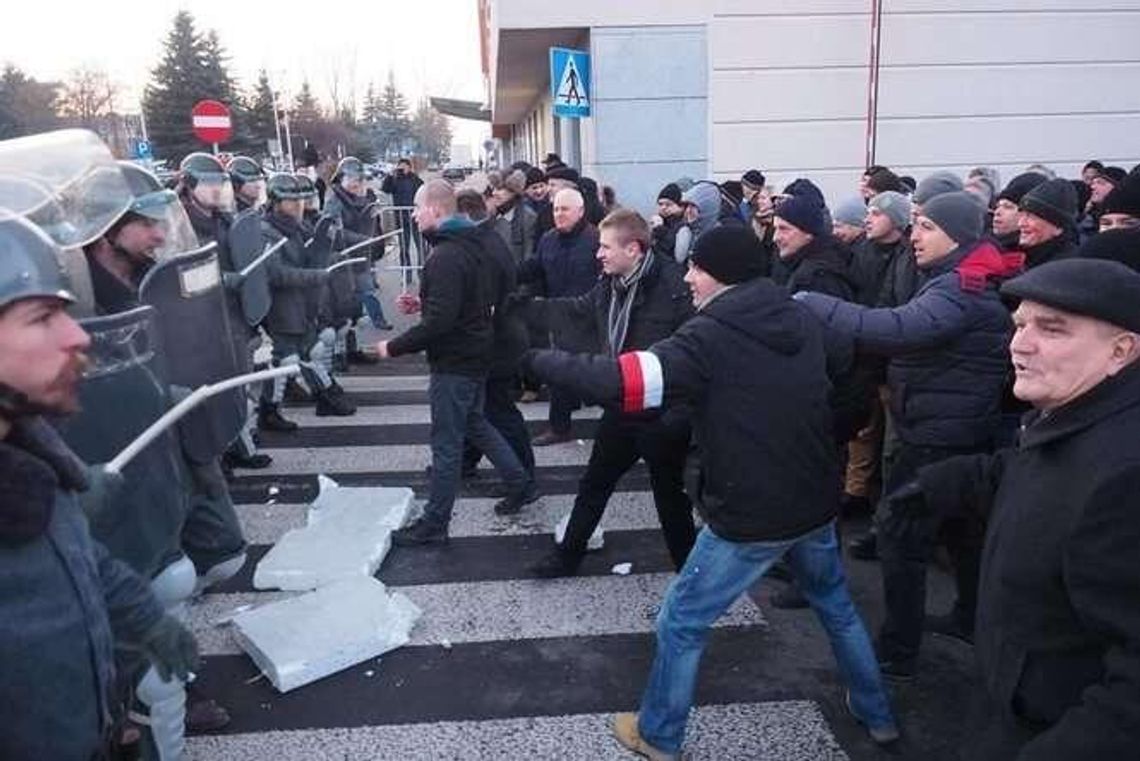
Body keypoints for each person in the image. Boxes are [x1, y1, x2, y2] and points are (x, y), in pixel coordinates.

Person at [526, 225, 899, 757]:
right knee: (835, 605)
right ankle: (877, 712)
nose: (688, 277)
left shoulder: (708, 337)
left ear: (722, 274)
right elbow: (846, 385)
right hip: (815, 497)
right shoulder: (801, 315)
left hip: (751, 511)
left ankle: (658, 734)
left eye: (697, 267)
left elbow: (625, 383)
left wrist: (535, 360)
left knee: (681, 619)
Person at [881, 258, 1140, 759]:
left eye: (1052, 329)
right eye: (1020, 324)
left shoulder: (1126, 475)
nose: (1019, 344)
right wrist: (943, 482)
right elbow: (1035, 465)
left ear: (1121, 350)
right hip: (1011, 701)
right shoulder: (1076, 412)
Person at [797, 191, 1024, 677]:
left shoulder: (958, 288)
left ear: (957, 236)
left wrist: (817, 305)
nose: (914, 236)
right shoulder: (955, 278)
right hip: (954, 430)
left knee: (901, 537)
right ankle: (968, 617)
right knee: (965, 533)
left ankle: (898, 650)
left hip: (936, 438)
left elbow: (896, 328)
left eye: (925, 227)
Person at [0, 214, 199, 760]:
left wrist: (148, 620)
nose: (78, 335)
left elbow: (84, 562)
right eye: (42, 318)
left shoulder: (32, 456)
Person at [520, 209, 697, 577]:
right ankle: (568, 556)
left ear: (633, 249)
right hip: (623, 404)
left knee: (670, 498)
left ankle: (690, 574)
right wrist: (524, 309)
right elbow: (577, 310)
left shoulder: (673, 287)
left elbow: (691, 357)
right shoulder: (612, 283)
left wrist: (679, 415)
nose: (598, 254)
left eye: (605, 247)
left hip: (662, 414)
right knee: (595, 483)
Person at [381, 180, 535, 546]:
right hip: (476, 352)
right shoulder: (471, 243)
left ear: (435, 210)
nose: (414, 215)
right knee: (476, 424)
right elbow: (464, 301)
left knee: (447, 444)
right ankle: (519, 482)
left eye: (418, 209)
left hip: (456, 361)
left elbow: (440, 322)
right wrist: (425, 303)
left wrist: (394, 346)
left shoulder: (446, 255)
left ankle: (435, 523)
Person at [258, 173, 355, 422]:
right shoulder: (267, 231)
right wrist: (316, 276)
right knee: (285, 360)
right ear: (276, 202)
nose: (297, 206)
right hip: (282, 306)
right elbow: (276, 274)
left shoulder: (298, 227)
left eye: (299, 201)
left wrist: (329, 255)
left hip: (303, 303)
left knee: (309, 352)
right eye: (291, 201)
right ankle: (270, 411)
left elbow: (311, 254)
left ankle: (325, 396)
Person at [518, 187, 601, 446]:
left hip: (592, 318)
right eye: (555, 209)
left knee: (599, 376)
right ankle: (559, 426)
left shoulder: (596, 239)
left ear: (580, 211)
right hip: (560, 317)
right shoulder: (548, 239)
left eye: (564, 209)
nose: (558, 214)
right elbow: (534, 269)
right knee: (558, 373)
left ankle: (619, 428)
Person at [324, 156, 393, 338]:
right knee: (346, 305)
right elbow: (333, 231)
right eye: (351, 178)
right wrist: (360, 239)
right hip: (343, 257)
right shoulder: (334, 201)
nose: (356, 182)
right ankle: (345, 349)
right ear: (341, 178)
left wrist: (376, 240)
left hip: (363, 255)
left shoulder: (366, 197)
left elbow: (374, 225)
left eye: (359, 178)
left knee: (367, 291)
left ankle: (375, 323)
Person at [1017, 177, 1079, 267]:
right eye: (1022, 215)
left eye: (1031, 217)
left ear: (1058, 227)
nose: (1021, 223)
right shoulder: (1022, 258)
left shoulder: (1066, 267)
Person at [381, 157, 425, 267]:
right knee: (404, 249)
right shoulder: (395, 180)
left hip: (416, 219)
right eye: (400, 167)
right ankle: (406, 275)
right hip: (402, 219)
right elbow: (385, 189)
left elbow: (423, 193)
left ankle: (421, 273)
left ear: (410, 168)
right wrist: (390, 175)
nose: (402, 170)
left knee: (421, 248)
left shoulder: (416, 180)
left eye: (405, 167)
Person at [489, 168, 538, 262]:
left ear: (514, 191)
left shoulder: (528, 217)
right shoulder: (491, 215)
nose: (494, 193)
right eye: (494, 188)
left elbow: (528, 255)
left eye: (499, 189)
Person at [992, 173, 1048, 251]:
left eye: (1008, 207)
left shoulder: (1032, 254)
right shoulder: (984, 245)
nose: (997, 212)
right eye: (997, 206)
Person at [650, 182, 687, 263]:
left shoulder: (684, 225)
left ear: (680, 207)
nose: (663, 208)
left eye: (668, 204)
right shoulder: (660, 221)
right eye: (660, 204)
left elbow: (672, 250)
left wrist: (660, 230)